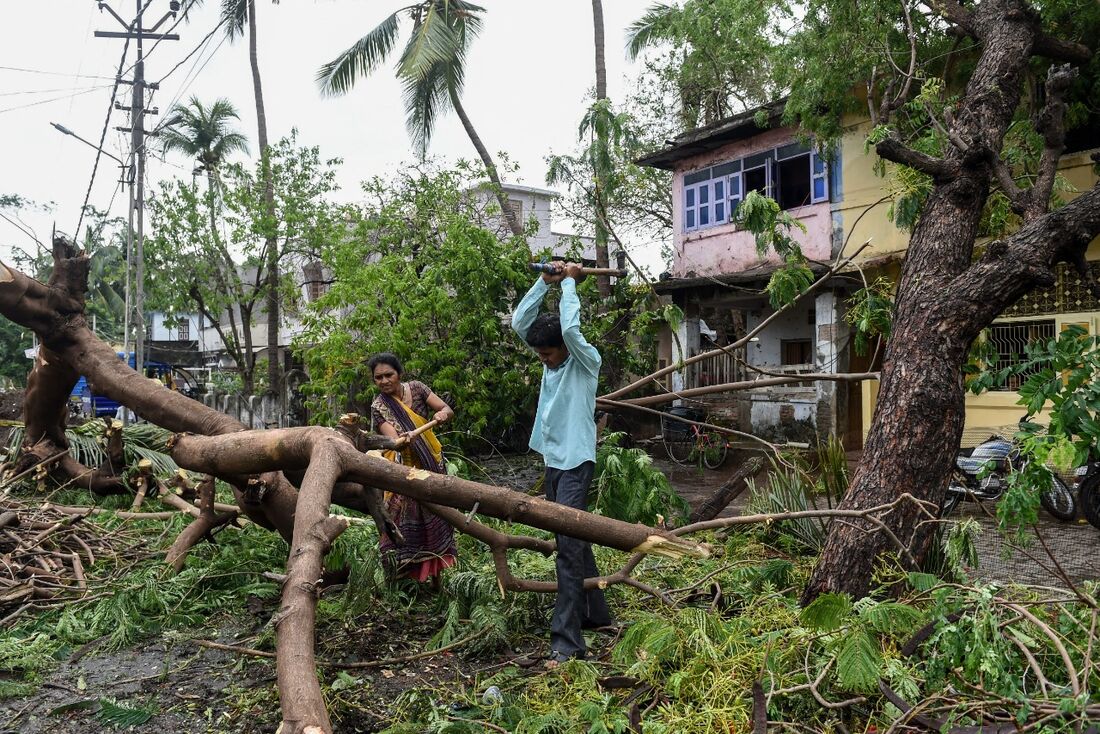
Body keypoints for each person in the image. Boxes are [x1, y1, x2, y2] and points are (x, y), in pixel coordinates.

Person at [511, 260, 613, 666]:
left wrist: (570, 285)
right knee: (572, 538)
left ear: (565, 349)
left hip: (576, 462)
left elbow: (570, 329)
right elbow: (520, 323)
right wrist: (543, 281)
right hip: (554, 459)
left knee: (567, 548)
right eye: (540, 356)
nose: (545, 361)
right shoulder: (549, 362)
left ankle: (567, 644)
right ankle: (595, 614)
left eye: (549, 355)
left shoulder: (586, 362)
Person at [368, 352, 457, 585]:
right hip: (403, 469)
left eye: (389, 375)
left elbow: (446, 408)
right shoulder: (379, 406)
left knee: (438, 516)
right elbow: (393, 439)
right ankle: (401, 579)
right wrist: (400, 439)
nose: (385, 381)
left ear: (399, 374)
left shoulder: (417, 389)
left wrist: (442, 413)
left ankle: (437, 579)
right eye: (379, 378)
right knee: (402, 520)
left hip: (431, 463)